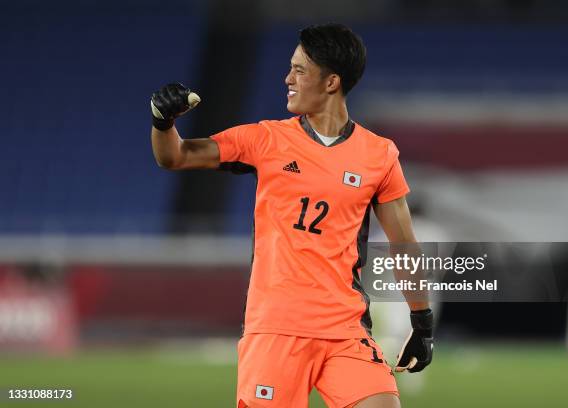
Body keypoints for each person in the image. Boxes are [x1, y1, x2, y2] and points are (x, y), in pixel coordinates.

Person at [150, 23, 433, 408]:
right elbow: (175, 155)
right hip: (275, 331)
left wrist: (422, 322)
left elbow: (404, 245)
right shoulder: (265, 140)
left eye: (299, 70)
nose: (287, 78)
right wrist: (163, 122)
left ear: (331, 82)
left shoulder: (379, 155)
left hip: (345, 329)